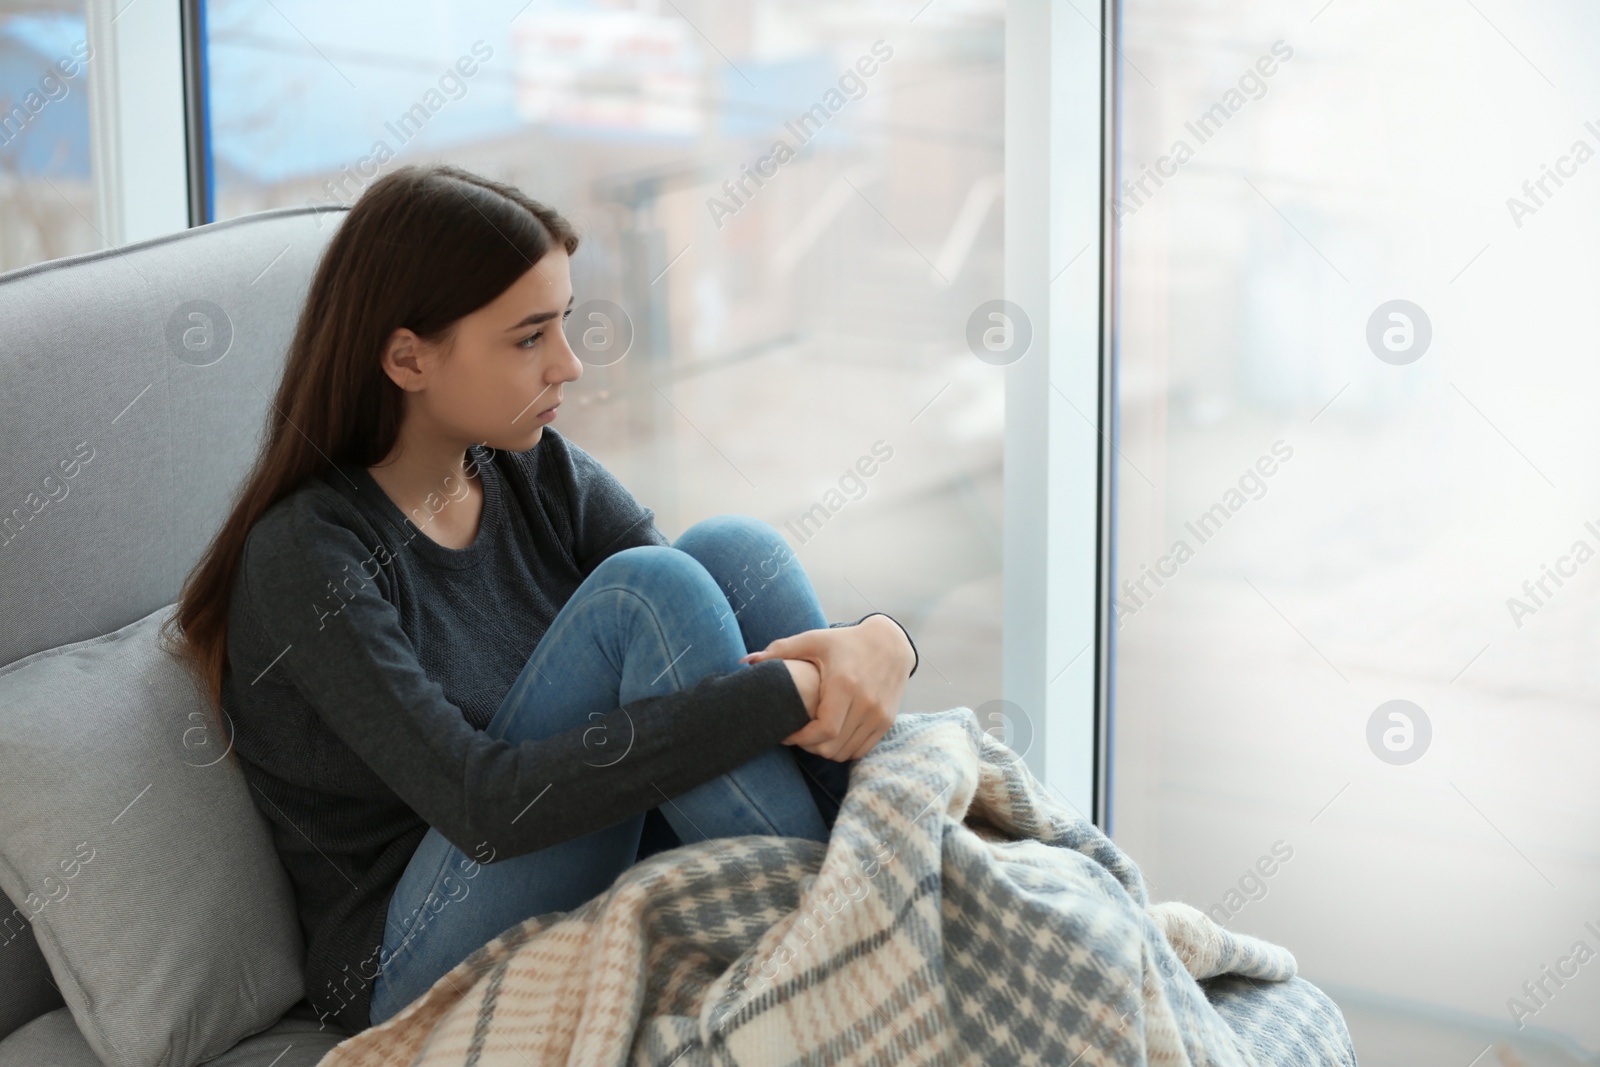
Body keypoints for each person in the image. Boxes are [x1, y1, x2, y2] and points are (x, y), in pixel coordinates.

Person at [160, 162, 918, 1035]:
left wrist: (879, 639)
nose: (569, 362)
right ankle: (855, 927)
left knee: (733, 551)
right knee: (649, 591)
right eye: (530, 338)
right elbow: (484, 806)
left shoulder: (531, 468)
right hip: (407, 947)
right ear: (407, 357)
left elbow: (700, 649)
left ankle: (882, 865)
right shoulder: (309, 556)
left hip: (576, 841)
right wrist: (794, 689)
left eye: (563, 323)